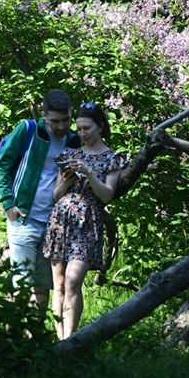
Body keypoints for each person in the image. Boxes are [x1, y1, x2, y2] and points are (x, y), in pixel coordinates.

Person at [43, 102, 127, 339]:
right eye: (79, 129)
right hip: (61, 219)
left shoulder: (113, 158)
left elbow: (107, 195)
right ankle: (59, 339)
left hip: (88, 222)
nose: (82, 133)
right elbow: (56, 196)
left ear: (100, 126)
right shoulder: (69, 155)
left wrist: (89, 173)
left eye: (87, 128)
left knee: (72, 281)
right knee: (58, 284)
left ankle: (70, 338)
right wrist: (67, 182)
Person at [0, 89, 79, 310]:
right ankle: (11, 339)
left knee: (42, 286)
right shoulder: (28, 129)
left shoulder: (74, 140)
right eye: (55, 121)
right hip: (24, 219)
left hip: (54, 222)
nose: (61, 126)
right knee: (21, 283)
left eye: (66, 120)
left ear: (71, 113)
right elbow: (1, 167)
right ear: (44, 114)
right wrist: (8, 205)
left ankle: (34, 339)